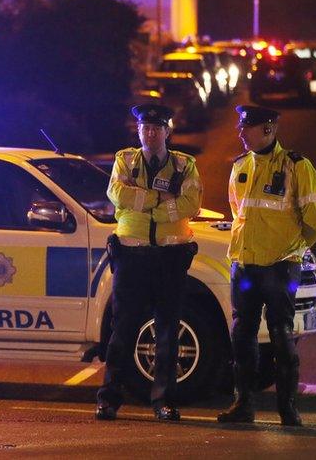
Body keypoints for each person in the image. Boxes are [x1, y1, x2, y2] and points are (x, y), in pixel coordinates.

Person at [217, 105, 316, 426]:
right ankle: (244, 405)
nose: (239, 132)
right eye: (240, 126)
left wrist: (294, 248)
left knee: (282, 335)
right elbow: (239, 210)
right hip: (245, 264)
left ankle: (288, 409)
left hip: (280, 266)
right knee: (243, 336)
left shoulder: (297, 167)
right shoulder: (240, 165)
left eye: (246, 127)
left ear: (268, 129)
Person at [96, 103, 203, 422]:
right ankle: (109, 399)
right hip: (132, 256)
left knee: (168, 331)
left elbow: (192, 202)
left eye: (157, 128)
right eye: (145, 128)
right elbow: (118, 194)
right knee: (122, 330)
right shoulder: (125, 160)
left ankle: (164, 401)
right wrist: (161, 200)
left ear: (168, 132)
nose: (151, 132)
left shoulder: (184, 165)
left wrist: (149, 206)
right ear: (138, 131)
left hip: (170, 258)